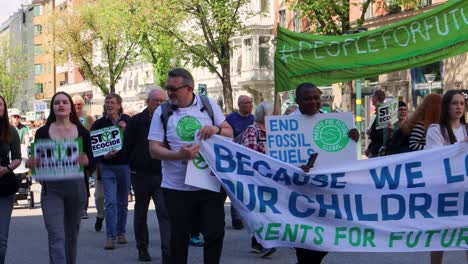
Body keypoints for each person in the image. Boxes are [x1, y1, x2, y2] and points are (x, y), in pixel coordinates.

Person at [148, 68, 233, 264]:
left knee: (215, 233)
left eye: (173, 88)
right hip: (177, 187)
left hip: (209, 184)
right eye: (168, 88)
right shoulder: (162, 112)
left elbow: (230, 132)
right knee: (178, 238)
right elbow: (153, 150)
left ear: (189, 88)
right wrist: (179, 155)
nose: (169, 93)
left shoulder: (208, 104)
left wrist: (217, 129)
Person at [291, 83, 359, 264]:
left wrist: (352, 139)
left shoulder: (332, 122)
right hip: (301, 193)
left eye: (316, 97)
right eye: (307, 98)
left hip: (326, 191)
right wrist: (296, 168)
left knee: (326, 238)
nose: (313, 101)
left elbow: (342, 155)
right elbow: (278, 161)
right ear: (297, 100)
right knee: (306, 243)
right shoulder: (286, 124)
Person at [26, 92, 94, 264]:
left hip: (76, 188)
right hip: (51, 190)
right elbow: (36, 162)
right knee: (56, 234)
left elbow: (92, 160)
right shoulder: (42, 132)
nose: (61, 105)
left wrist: (87, 161)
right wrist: (32, 163)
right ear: (52, 108)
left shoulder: (82, 132)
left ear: (71, 107)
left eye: (65, 102)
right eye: (57, 103)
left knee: (71, 235)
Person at [125, 89, 170, 262]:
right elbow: (127, 146)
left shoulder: (169, 119)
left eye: (162, 101)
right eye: (155, 101)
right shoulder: (136, 121)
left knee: (164, 212)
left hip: (162, 173)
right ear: (147, 102)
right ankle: (142, 248)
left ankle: (167, 250)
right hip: (140, 174)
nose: (158, 104)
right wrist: (133, 164)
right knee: (141, 212)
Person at [424, 90, 467, 264]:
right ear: (446, 106)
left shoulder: (466, 129)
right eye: (454, 103)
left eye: (462, 103)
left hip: (465, 192)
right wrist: (460, 147)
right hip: (443, 192)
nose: (459, 107)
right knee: (440, 236)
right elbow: (434, 158)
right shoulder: (436, 130)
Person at [90, 93, 131, 250]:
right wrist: (103, 156)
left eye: (112, 102)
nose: (109, 105)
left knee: (122, 202)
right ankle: (110, 236)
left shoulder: (127, 120)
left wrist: (125, 130)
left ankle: (121, 232)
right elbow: (93, 147)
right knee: (110, 202)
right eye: (107, 102)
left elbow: (135, 141)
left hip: (124, 166)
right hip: (107, 167)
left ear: (119, 104)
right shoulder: (99, 124)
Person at [237, 102, 276, 258]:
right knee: (261, 211)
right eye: (274, 113)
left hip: (273, 179)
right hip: (258, 179)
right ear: (265, 115)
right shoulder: (253, 131)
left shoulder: (276, 131)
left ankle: (265, 241)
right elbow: (250, 156)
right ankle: (261, 242)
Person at [225, 95, 254, 230]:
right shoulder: (231, 119)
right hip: (233, 158)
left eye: (250, 102)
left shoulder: (253, 119)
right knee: (235, 189)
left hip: (249, 160)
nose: (249, 105)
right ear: (239, 105)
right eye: (246, 103)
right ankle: (236, 218)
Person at [0, 96, 22, 264]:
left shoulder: (11, 131)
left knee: (1, 239)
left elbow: (17, 158)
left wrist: (6, 169)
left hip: (3, 185)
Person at [72, 95, 95, 220]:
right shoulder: (69, 118)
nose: (77, 107)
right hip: (71, 153)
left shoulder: (88, 118)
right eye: (75, 104)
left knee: (84, 181)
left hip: (84, 153)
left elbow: (92, 133)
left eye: (79, 104)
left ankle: (84, 208)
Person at [365, 89, 385, 158]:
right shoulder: (378, 112)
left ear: (376, 98)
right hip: (374, 148)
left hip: (378, 150)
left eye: (373, 97)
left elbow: (381, 134)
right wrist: (369, 147)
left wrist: (370, 133)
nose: (372, 99)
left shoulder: (381, 113)